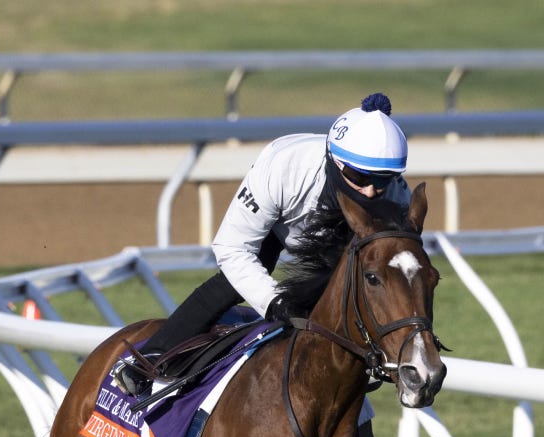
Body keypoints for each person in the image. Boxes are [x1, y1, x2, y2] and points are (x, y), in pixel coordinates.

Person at [115, 92, 412, 397]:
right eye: (358, 176)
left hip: (341, 242)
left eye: (382, 180)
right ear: (335, 162)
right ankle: (152, 356)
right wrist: (274, 301)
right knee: (236, 281)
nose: (370, 191)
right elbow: (231, 249)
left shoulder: (398, 199)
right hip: (282, 218)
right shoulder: (284, 168)